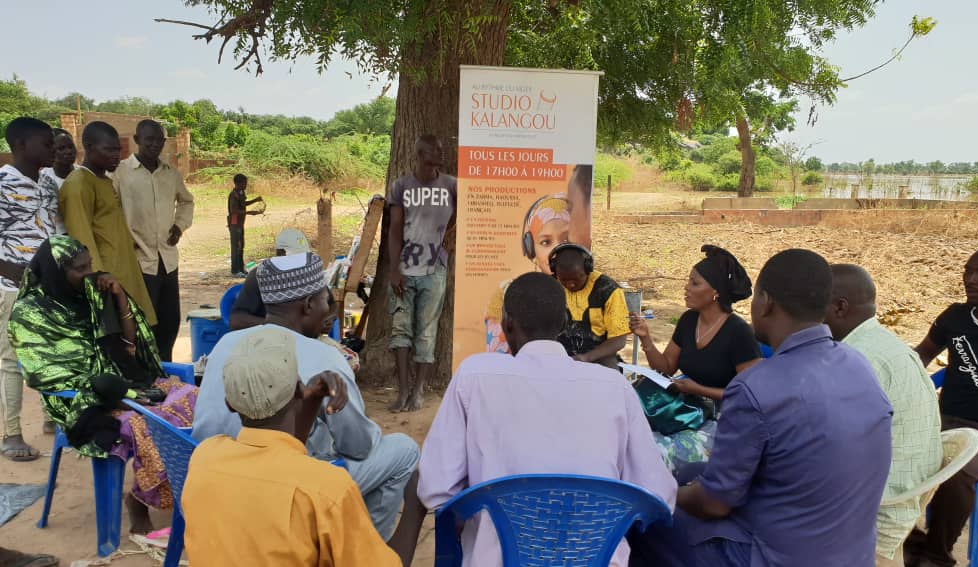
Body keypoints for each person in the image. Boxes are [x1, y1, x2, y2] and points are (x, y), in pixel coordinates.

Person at [630, 249, 893, 567]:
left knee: (642, 520)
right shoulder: (858, 365)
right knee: (695, 475)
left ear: (765, 303)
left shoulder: (756, 386)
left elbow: (715, 504)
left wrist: (663, 491)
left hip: (770, 556)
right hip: (851, 554)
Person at [418, 271, 676, 567]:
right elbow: (660, 496)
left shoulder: (474, 376)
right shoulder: (615, 387)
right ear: (564, 324)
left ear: (506, 325)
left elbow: (435, 491)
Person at [192, 252, 420, 542]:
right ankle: (365, 550)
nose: (328, 313)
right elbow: (359, 446)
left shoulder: (226, 344)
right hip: (281, 494)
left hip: (216, 482)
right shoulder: (325, 358)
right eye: (326, 302)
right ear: (309, 305)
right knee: (402, 450)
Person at [7, 235, 199, 534]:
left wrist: (120, 296)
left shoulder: (93, 293)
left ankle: (191, 495)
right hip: (78, 399)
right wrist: (109, 391)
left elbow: (130, 346)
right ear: (58, 272)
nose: (89, 274)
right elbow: (45, 373)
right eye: (80, 269)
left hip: (122, 381)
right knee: (149, 424)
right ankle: (139, 502)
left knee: (198, 400)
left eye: (90, 265)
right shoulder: (29, 313)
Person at [182, 327, 402, 567]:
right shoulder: (327, 489)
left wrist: (313, 398)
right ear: (299, 389)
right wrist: (415, 509)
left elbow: (284, 454)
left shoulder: (204, 458)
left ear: (230, 404)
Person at [822, 263, 942, 566]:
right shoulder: (881, 343)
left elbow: (830, 451)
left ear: (839, 307)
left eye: (813, 304)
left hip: (879, 510)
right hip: (904, 494)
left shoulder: (858, 359)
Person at [903, 243, 978, 567]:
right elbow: (920, 357)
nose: (970, 279)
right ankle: (908, 538)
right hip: (941, 418)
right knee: (880, 448)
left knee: (958, 470)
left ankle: (937, 555)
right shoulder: (955, 317)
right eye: (968, 270)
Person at [629, 245, 761, 479]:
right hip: (687, 406)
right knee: (631, 433)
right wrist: (646, 338)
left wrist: (699, 389)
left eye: (694, 283)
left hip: (722, 417)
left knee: (658, 453)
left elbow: (750, 395)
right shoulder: (689, 320)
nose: (686, 288)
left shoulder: (738, 332)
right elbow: (666, 367)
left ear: (715, 292)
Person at [484, 164, 593, 353]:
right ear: (530, 248)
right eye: (545, 242)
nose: (556, 250)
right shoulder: (506, 295)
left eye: (566, 238)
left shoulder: (596, 289)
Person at [59, 121, 157, 326]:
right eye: (109, 150)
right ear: (88, 146)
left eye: (118, 150)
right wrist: (98, 282)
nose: (116, 155)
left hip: (125, 271)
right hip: (106, 280)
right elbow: (81, 239)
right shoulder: (78, 185)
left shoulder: (103, 180)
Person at [112, 120, 195, 362]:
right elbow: (111, 210)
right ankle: (146, 373)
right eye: (149, 139)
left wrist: (179, 226)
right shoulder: (121, 173)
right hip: (139, 260)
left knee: (170, 320)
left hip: (167, 260)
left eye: (159, 140)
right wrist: (126, 240)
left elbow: (187, 201)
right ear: (137, 140)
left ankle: (166, 369)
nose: (155, 144)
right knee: (145, 322)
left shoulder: (170, 174)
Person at [0, 117, 57, 462]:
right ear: (20, 145)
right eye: (46, 143)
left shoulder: (47, 182)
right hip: (11, 288)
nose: (52, 148)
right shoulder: (4, 184)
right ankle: (11, 434)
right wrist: (9, 269)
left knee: (48, 352)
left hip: (46, 287)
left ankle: (52, 418)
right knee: (11, 361)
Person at [387, 134, 457, 412]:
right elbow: (394, 230)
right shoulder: (402, 186)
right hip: (405, 268)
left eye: (441, 150)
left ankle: (418, 392)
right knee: (400, 330)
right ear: (420, 154)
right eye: (436, 150)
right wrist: (394, 269)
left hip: (434, 270)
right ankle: (403, 391)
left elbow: (467, 217)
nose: (442, 153)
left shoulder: (452, 185)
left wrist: (447, 243)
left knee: (427, 332)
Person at [549, 243, 631, 368]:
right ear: (555, 272)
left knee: (610, 375)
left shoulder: (608, 290)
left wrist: (585, 358)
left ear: (588, 269)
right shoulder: (550, 288)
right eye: (564, 280)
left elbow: (619, 340)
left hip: (599, 357)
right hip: (558, 355)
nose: (571, 285)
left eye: (577, 279)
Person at [229, 227, 312, 330]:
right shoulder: (258, 277)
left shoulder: (308, 275)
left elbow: (330, 303)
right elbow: (236, 320)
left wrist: (329, 316)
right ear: (280, 254)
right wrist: (274, 325)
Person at [227, 173, 264, 277]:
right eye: (244, 183)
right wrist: (249, 212)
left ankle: (241, 268)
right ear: (238, 183)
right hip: (234, 223)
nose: (246, 185)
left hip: (240, 223)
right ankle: (235, 270)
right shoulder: (233, 195)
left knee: (241, 246)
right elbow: (234, 210)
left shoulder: (241, 192)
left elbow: (243, 204)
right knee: (236, 247)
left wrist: (255, 200)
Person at [40, 128, 78, 194]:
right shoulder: (43, 180)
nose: (69, 151)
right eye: (61, 148)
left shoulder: (84, 174)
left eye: (71, 146)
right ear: (51, 150)